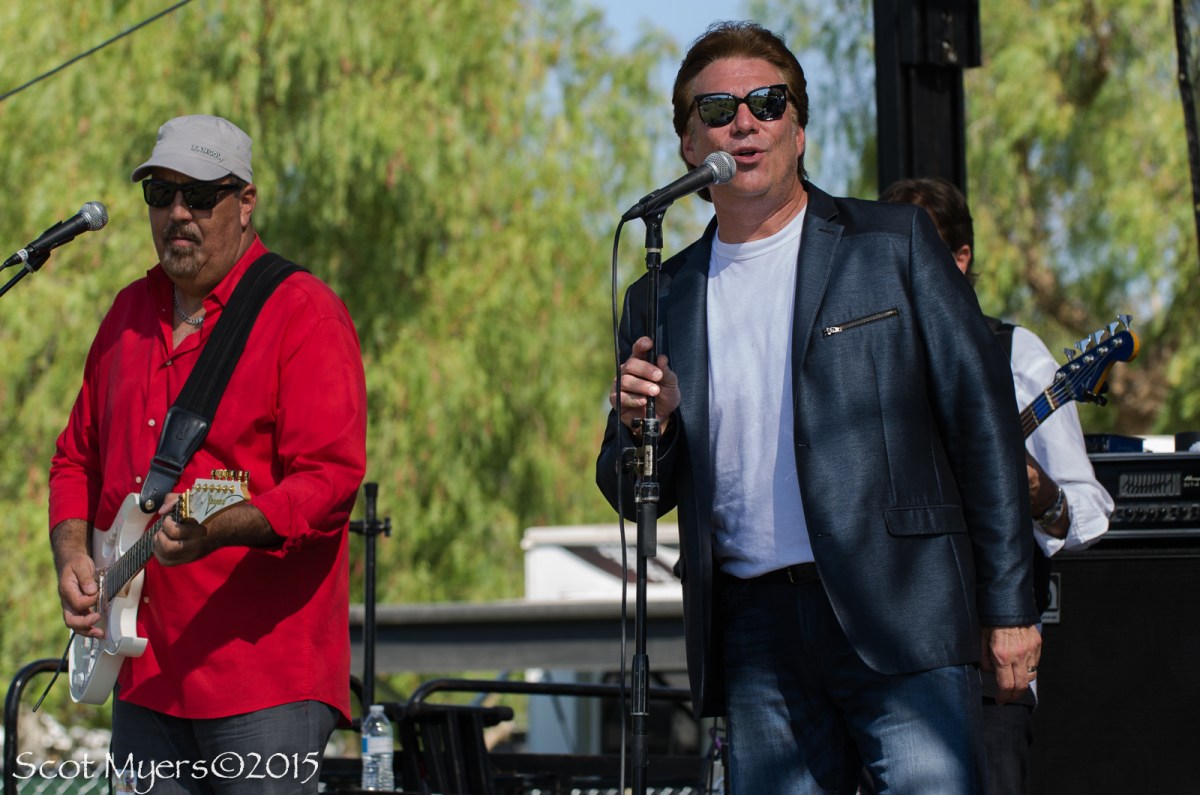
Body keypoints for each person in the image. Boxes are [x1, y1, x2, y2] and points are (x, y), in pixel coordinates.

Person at [596, 21, 1041, 793]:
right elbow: (627, 486)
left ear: (798, 130)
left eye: (768, 103)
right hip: (756, 631)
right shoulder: (661, 294)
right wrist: (650, 426)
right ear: (688, 143)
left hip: (901, 608)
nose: (745, 122)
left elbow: (983, 425)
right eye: (719, 110)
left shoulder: (893, 242)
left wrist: (1010, 606)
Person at [49, 114, 367, 793]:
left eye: (199, 195)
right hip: (143, 675)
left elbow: (329, 482)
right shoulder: (126, 316)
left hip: (262, 681)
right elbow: (75, 459)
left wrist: (220, 527)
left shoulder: (303, 312)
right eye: (160, 194)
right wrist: (73, 553)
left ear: (246, 203)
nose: (177, 213)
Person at [881, 176, 1113, 794]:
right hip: (880, 663)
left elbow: (1087, 509)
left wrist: (1040, 495)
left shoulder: (1014, 355)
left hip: (984, 666)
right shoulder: (862, 360)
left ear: (961, 259)